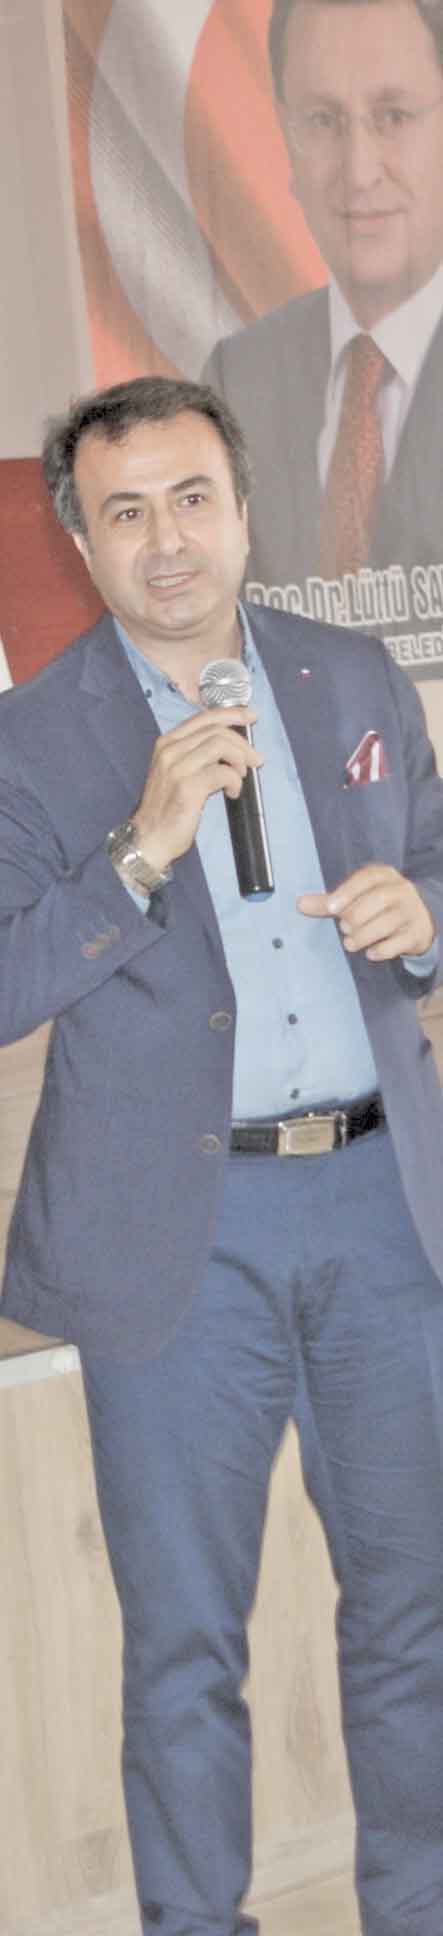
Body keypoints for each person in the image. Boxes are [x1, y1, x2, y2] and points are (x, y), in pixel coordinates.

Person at [1, 373, 443, 1936]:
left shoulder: (348, 673)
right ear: (81, 543)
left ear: (243, 511)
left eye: (192, 498)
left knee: (413, 1617)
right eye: (125, 512)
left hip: (382, 1211)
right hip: (177, 1242)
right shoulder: (32, 737)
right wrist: (139, 847)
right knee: (184, 1648)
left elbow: (436, 861)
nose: (167, 539)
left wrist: (420, 920)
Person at [204, 0, 443, 679]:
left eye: (393, 116)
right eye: (322, 121)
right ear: (287, 143)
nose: (358, 171)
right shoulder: (239, 374)